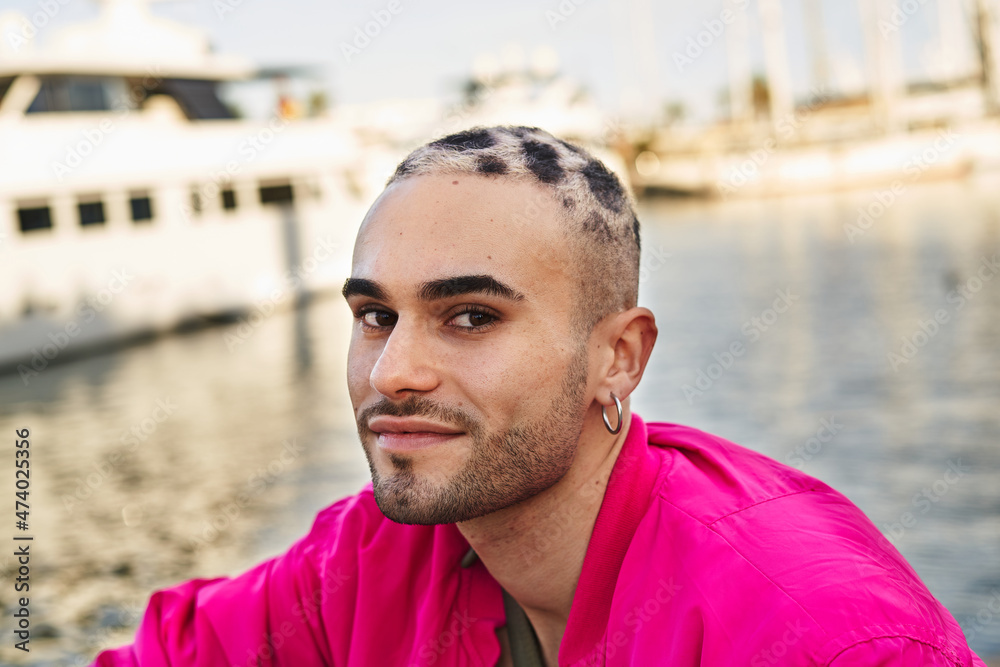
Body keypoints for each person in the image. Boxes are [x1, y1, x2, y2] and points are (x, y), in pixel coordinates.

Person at [92, 126, 987, 667]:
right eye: (374, 314)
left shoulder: (814, 631)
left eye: (470, 316)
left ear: (618, 359)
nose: (392, 370)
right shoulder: (369, 557)